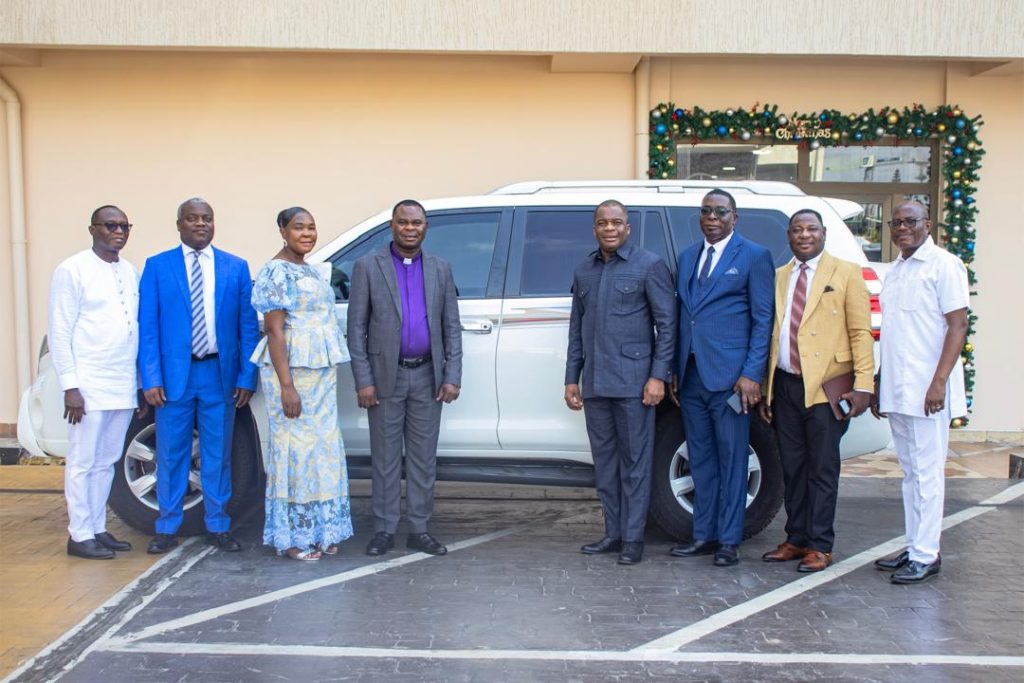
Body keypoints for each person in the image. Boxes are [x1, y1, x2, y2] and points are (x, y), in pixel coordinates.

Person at [138, 198, 259, 554]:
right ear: (179, 224)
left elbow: (247, 328)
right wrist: (150, 378)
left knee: (217, 454)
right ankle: (167, 526)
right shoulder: (158, 266)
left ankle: (218, 524)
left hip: (219, 375)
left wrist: (246, 377)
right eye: (192, 218)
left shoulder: (235, 267)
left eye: (207, 218)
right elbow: (148, 328)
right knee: (171, 453)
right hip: (174, 377)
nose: (201, 224)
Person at [757, 209, 874, 572]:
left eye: (811, 229)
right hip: (785, 384)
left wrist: (864, 385)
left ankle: (820, 544)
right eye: (797, 229)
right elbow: (772, 333)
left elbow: (860, 332)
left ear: (823, 233)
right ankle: (796, 538)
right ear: (788, 236)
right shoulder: (780, 276)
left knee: (821, 468)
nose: (804, 235)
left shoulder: (846, 272)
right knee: (792, 467)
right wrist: (766, 389)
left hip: (826, 386)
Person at [347, 199, 462, 557]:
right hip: (385, 377)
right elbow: (356, 328)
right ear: (392, 226)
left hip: (428, 376)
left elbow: (451, 326)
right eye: (403, 222)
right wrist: (364, 380)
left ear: (426, 227)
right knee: (385, 457)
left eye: (416, 223)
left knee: (423, 458)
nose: (410, 228)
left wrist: (452, 375)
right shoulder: (368, 266)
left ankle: (419, 529)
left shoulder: (441, 268)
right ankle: (384, 529)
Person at [564, 200, 676, 565]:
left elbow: (667, 326)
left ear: (628, 227)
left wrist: (657, 376)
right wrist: (572, 378)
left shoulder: (649, 265)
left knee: (635, 464)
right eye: (603, 223)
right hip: (596, 383)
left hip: (634, 384)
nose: (609, 228)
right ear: (594, 228)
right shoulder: (584, 270)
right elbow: (577, 330)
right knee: (605, 464)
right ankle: (612, 533)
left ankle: (633, 539)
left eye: (616, 222)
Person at [670, 189, 774, 567]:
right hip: (692, 376)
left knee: (733, 460)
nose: (712, 217)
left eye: (720, 212)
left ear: (734, 217)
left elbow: (763, 320)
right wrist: (674, 368)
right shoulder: (687, 257)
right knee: (700, 458)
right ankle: (703, 535)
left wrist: (751, 374)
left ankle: (728, 540)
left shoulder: (754, 256)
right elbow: (683, 316)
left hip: (732, 379)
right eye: (706, 211)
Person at [872, 201, 969, 585]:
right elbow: (894, 332)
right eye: (896, 222)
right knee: (911, 473)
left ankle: (926, 555)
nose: (902, 228)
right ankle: (915, 545)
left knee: (928, 474)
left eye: (910, 221)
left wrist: (939, 382)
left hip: (928, 391)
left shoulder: (945, 265)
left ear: (927, 224)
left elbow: (957, 325)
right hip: (899, 388)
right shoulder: (895, 271)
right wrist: (880, 380)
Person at [250, 207, 354, 561]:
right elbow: (274, 331)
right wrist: (286, 386)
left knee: (322, 449)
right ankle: (293, 537)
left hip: (320, 373)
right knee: (295, 450)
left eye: (311, 227)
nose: (307, 234)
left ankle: (321, 529)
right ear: (282, 230)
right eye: (298, 228)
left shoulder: (310, 270)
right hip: (291, 371)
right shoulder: (275, 272)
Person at [49, 205, 144, 559]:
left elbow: (134, 329)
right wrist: (70, 387)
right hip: (88, 383)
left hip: (122, 381)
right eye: (110, 225)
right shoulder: (72, 270)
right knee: (82, 461)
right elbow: (60, 332)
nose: (118, 231)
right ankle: (79, 534)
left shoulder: (129, 271)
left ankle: (97, 528)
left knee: (107, 461)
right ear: (93, 229)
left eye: (124, 226)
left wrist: (138, 385)